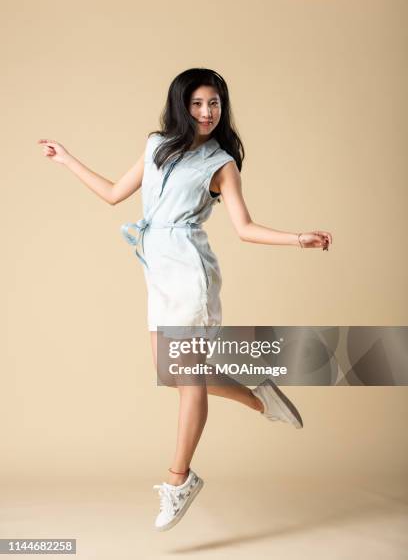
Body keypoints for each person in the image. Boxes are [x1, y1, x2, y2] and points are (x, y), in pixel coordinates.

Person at [37, 67, 333, 532]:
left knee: (188, 378)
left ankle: (179, 480)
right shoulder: (156, 145)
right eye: (197, 103)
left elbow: (245, 228)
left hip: (191, 274)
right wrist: (67, 160)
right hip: (158, 270)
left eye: (214, 103)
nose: (206, 112)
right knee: (170, 372)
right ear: (181, 105)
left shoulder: (220, 164)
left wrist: (299, 239)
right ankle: (258, 397)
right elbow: (115, 193)